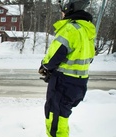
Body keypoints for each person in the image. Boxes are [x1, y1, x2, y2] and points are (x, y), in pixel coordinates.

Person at [38, 0, 96, 137]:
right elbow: (90, 57)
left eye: (63, 12)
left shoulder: (70, 29)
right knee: (62, 116)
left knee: (55, 117)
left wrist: (44, 66)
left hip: (63, 82)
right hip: (79, 83)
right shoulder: (87, 31)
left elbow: (54, 56)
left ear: (69, 10)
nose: (62, 15)